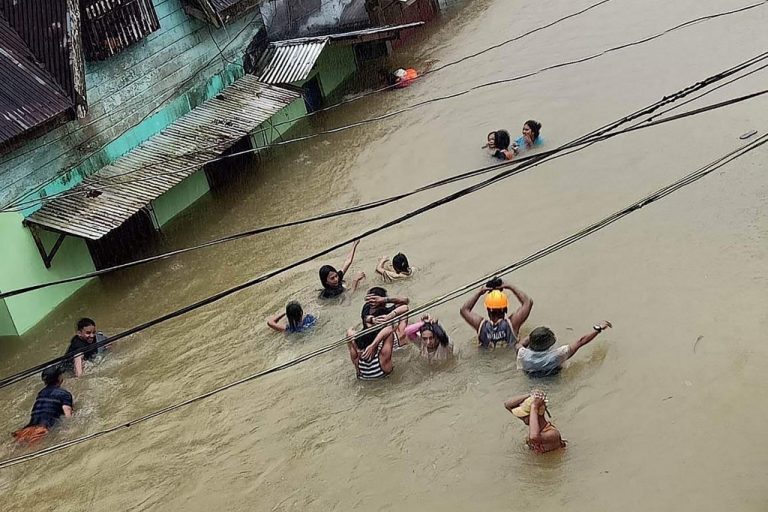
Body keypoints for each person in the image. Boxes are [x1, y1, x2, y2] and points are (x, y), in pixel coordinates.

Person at [516, 321, 612, 376]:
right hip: (553, 377)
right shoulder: (558, 355)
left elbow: (519, 345)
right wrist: (598, 329)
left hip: (531, 376)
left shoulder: (522, 354)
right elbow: (581, 341)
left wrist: (532, 336)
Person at [460, 278, 533, 349]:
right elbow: (528, 302)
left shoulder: (481, 325)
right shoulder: (513, 323)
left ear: (488, 310)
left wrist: (479, 293)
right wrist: (510, 286)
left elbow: (464, 310)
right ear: (505, 309)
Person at [12, 366, 73, 444]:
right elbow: (68, 414)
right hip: (41, 431)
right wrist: (69, 429)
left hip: (26, 429)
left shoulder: (41, 393)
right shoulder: (64, 394)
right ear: (59, 378)